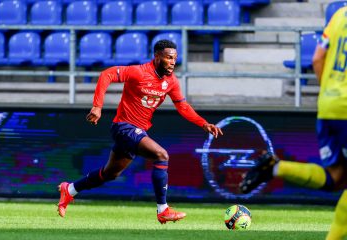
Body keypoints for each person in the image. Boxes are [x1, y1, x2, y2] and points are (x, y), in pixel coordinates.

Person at [57, 40, 223, 224]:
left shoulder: (171, 82)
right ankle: (163, 210)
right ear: (157, 56)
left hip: (136, 131)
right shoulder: (138, 72)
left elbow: (182, 106)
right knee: (161, 155)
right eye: (169, 58)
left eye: (175, 58)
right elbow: (107, 74)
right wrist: (97, 106)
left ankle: (70, 189)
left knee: (110, 174)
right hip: (124, 127)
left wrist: (203, 124)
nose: (173, 62)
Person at [240, 7, 347, 240]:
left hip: (329, 104)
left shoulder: (340, 15)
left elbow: (318, 58)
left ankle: (275, 167)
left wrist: (330, 92)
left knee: (337, 177)